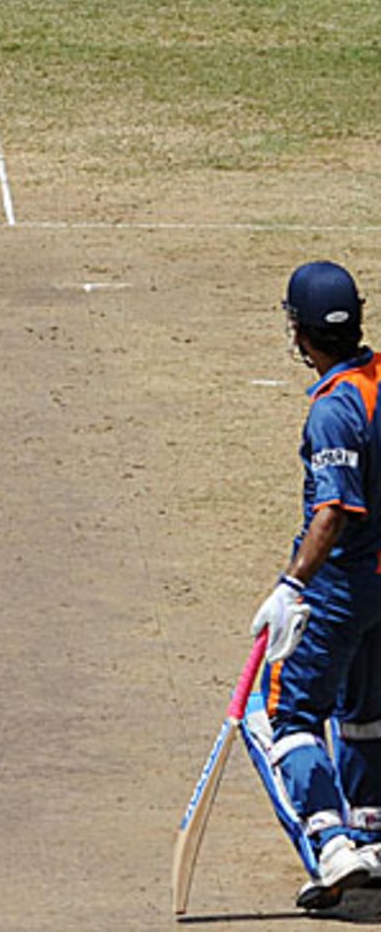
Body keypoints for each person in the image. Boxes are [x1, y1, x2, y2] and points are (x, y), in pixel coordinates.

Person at [242, 262, 381, 908]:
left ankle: (331, 843)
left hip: (343, 590)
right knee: (364, 718)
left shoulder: (334, 410)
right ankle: (373, 835)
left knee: (287, 716)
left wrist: (292, 587)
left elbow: (332, 511)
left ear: (300, 333)